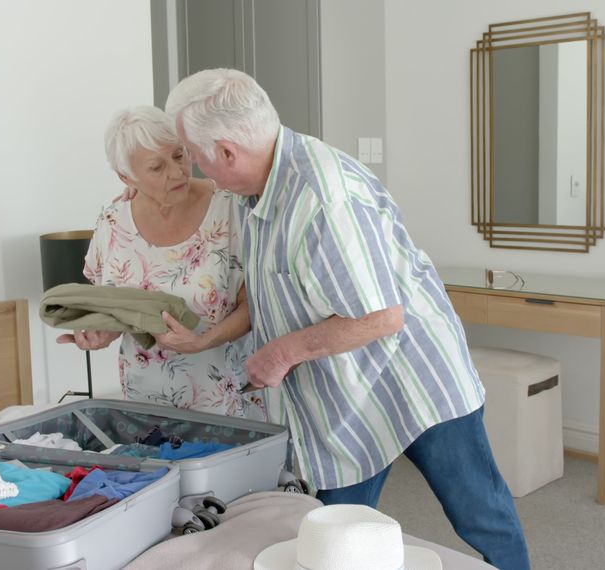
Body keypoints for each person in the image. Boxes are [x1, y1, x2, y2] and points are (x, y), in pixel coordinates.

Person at [165, 69, 530, 569]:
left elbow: (382, 317)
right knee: (330, 530)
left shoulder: (322, 199)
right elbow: (271, 281)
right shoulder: (255, 193)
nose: (194, 167)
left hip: (414, 376)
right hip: (345, 389)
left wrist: (281, 351)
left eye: (193, 154)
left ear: (227, 152)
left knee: (478, 510)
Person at [57, 105, 269, 421]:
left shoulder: (232, 209)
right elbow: (116, 311)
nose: (176, 172)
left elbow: (256, 306)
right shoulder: (112, 222)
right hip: (144, 406)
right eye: (157, 167)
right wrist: (99, 333)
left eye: (179, 155)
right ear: (125, 176)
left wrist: (201, 341)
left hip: (228, 404)